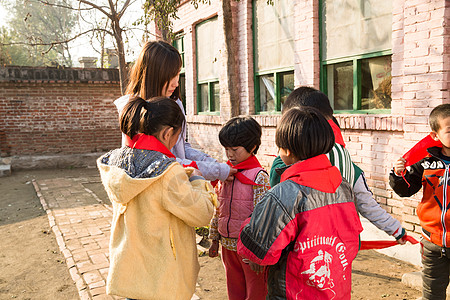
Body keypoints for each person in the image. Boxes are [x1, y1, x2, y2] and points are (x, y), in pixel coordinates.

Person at [97, 96, 217, 300]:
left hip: (132, 273)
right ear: (168, 133)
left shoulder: (117, 162)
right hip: (162, 279)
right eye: (177, 137)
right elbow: (202, 213)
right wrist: (197, 181)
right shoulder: (167, 173)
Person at [237, 107, 363, 299]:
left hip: (293, 292)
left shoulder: (285, 193)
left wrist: (250, 220)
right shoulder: (343, 186)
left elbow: (257, 250)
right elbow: (351, 241)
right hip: (336, 291)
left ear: (286, 150)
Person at [270, 86, 407, 243]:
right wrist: (396, 229)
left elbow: (275, 209)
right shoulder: (344, 156)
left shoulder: (287, 159)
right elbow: (366, 201)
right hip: (342, 247)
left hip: (305, 247)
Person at [114, 40, 234, 182]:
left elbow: (182, 147)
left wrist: (211, 162)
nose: (176, 83)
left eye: (178, 74)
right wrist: (217, 171)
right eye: (170, 76)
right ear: (154, 76)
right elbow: (162, 162)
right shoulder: (136, 112)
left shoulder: (174, 101)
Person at [390, 104, 450, 300]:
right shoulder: (424, 160)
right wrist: (398, 175)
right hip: (433, 243)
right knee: (433, 295)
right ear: (435, 135)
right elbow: (406, 189)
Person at [208, 116, 270, 300]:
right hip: (227, 247)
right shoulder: (225, 173)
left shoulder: (259, 177)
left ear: (252, 148)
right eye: (226, 149)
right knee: (234, 291)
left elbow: (262, 217)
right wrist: (214, 238)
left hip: (248, 249)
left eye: (235, 149)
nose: (230, 155)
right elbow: (219, 208)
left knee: (255, 292)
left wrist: (258, 252)